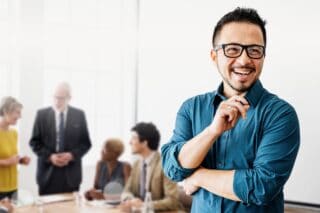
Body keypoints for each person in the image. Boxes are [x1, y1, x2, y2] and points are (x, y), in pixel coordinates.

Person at [161, 7, 300, 212]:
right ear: (214, 55)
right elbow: (172, 168)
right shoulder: (191, 108)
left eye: (254, 50)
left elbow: (261, 186)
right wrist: (212, 131)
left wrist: (197, 176)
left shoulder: (280, 114)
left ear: (263, 56)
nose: (244, 60)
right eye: (232, 49)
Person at [29, 82, 92, 195]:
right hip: (47, 174)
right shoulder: (41, 115)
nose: (57, 102)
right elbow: (34, 142)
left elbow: (86, 143)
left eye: (61, 98)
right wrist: (50, 156)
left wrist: (72, 155)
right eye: (55, 97)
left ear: (69, 98)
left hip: (71, 175)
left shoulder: (79, 115)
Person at [120, 122, 181, 211]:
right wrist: (130, 200)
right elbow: (126, 191)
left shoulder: (165, 164)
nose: (130, 142)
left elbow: (172, 201)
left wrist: (145, 205)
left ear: (144, 142)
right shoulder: (137, 164)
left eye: (133, 138)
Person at [0, 97, 30, 200]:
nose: (20, 116)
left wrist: (20, 160)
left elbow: (9, 156)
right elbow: (7, 160)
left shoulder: (14, 133)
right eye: (17, 112)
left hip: (13, 187)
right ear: (5, 111)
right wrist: (7, 162)